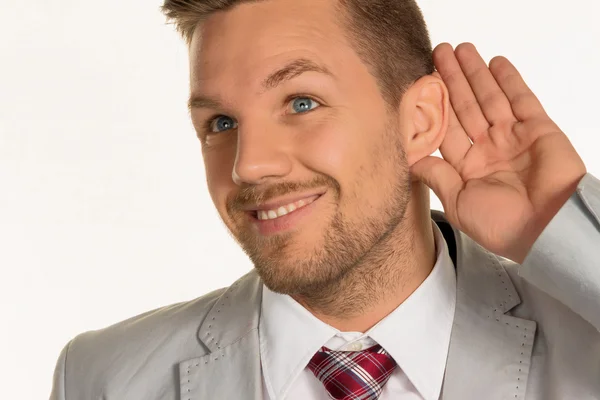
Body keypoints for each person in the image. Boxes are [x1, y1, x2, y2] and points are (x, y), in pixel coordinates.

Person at [50, 0, 600, 399]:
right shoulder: (101, 380)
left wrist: (564, 227)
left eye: (301, 102)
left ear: (419, 121)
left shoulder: (587, 346)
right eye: (220, 122)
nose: (248, 164)